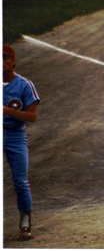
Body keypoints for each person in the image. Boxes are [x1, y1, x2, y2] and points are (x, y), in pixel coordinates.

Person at [3, 45, 40, 241]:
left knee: (20, 181)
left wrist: (9, 112)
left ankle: (25, 221)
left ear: (13, 61)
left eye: (5, 58)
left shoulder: (25, 85)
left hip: (15, 134)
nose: (1, 62)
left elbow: (32, 116)